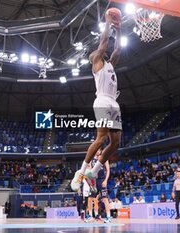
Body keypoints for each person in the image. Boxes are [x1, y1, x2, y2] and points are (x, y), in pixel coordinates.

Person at [71, 8, 122, 193]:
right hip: (101, 101)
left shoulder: (110, 65)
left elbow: (117, 49)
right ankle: (81, 172)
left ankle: (93, 172)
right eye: (94, 53)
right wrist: (108, 22)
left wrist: (120, 28)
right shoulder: (97, 64)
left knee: (115, 143)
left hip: (113, 103)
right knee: (101, 139)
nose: (96, 53)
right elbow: (104, 42)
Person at [87, 149, 112, 223]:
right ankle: (91, 216)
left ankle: (108, 217)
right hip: (94, 182)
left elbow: (108, 170)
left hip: (102, 181)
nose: (97, 151)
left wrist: (105, 180)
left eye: (98, 150)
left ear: (100, 150)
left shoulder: (104, 158)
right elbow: (90, 171)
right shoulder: (92, 159)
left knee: (105, 199)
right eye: (96, 150)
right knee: (90, 198)